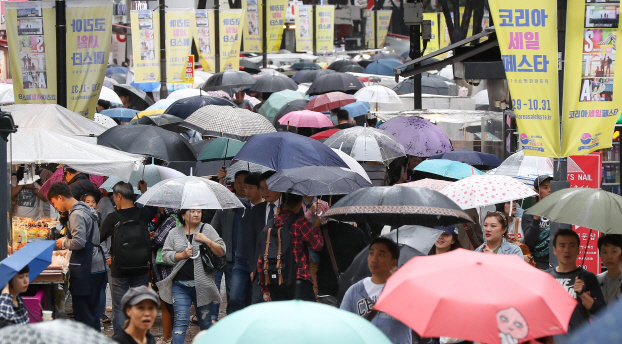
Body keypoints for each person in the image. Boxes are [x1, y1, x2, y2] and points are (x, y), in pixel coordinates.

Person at [157, 209, 225, 344]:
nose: (196, 214)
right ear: (183, 215)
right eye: (192, 211)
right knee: (180, 321)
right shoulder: (174, 233)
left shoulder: (207, 229)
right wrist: (181, 255)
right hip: (180, 285)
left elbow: (222, 250)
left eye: (199, 211)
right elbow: (165, 254)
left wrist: (207, 240)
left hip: (203, 286)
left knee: (205, 322)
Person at [48, 182, 107, 331]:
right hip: (96, 264)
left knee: (84, 314)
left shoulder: (76, 214)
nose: (55, 206)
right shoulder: (85, 210)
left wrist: (63, 242)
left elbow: (79, 242)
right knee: (92, 314)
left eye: (54, 202)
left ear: (60, 197)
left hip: (88, 267)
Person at [100, 181, 157, 334]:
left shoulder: (113, 218)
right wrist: (144, 191)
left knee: (119, 306)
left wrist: (107, 255)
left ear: (119, 196)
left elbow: (98, 238)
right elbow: (153, 205)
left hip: (119, 269)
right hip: (141, 268)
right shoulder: (143, 214)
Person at [340, 237, 411, 344]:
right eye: (372, 253)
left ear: (393, 262)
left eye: (381, 254)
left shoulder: (405, 290)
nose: (374, 259)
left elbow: (419, 317)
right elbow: (343, 326)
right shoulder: (355, 291)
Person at [258, 193, 324, 302]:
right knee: (306, 317)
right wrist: (316, 228)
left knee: (283, 318)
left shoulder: (270, 225)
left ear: (282, 202)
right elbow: (317, 245)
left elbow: (262, 259)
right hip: (299, 279)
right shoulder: (300, 222)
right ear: (299, 204)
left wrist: (265, 287)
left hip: (276, 280)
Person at [546, 229, 606, 332]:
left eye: (572, 245)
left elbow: (601, 311)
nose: (567, 250)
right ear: (554, 250)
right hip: (553, 336)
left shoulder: (588, 277)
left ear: (578, 250)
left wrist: (583, 294)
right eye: (562, 245)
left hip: (579, 336)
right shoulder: (546, 277)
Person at [247, 171, 281, 304]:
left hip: (279, 265)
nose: (265, 192)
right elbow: (251, 241)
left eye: (269, 188)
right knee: (257, 303)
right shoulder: (257, 210)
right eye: (262, 188)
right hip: (260, 266)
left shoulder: (286, 209)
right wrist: (252, 268)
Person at [233, 172, 264, 310]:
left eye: (251, 187)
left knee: (255, 300)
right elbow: (225, 198)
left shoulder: (267, 209)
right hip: (240, 260)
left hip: (258, 262)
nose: (247, 191)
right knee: (235, 297)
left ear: (259, 189)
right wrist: (221, 179)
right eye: (245, 187)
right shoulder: (242, 206)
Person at [317, 218, 367, 298]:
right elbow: (364, 259)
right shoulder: (358, 233)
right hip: (349, 288)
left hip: (326, 286)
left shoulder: (323, 231)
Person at [151, 208, 179, 344]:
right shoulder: (176, 219)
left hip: (167, 268)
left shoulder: (171, 220)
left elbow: (158, 240)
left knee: (169, 303)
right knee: (168, 303)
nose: (160, 208)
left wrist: (152, 238)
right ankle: (168, 338)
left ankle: (171, 338)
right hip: (172, 266)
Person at [522, 175, 553, 270]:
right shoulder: (528, 213)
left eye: (552, 186)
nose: (550, 190)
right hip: (538, 266)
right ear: (536, 192)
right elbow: (530, 241)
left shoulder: (560, 211)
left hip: (558, 265)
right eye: (545, 187)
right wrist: (536, 219)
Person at [597, 234, 622, 304]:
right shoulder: (596, 280)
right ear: (600, 254)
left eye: (614, 251)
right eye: (605, 252)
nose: (609, 256)